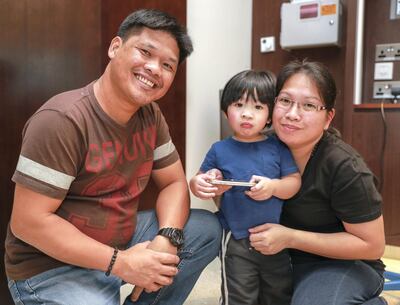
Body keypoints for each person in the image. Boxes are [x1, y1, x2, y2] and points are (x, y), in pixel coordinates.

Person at [5, 9, 221, 305]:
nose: (155, 69)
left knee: (204, 229)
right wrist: (121, 263)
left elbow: (173, 183)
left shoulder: (150, 115)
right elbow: (28, 222)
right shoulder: (61, 120)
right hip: (52, 268)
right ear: (115, 47)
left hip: (120, 243)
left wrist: (167, 239)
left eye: (168, 65)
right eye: (145, 52)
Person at [248, 60, 387, 305]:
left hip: (344, 264)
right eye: (285, 101)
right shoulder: (260, 146)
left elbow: (372, 245)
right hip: (281, 262)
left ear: (328, 117)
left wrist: (290, 237)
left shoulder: (345, 167)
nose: (292, 114)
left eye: (309, 105)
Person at [190, 70, 301, 305]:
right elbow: (198, 181)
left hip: (276, 236)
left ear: (270, 115)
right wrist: (204, 182)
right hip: (235, 237)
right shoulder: (219, 149)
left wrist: (272, 187)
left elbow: (293, 183)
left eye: (258, 107)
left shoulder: (278, 147)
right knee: (238, 293)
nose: (246, 113)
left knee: (279, 292)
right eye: (239, 104)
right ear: (225, 111)